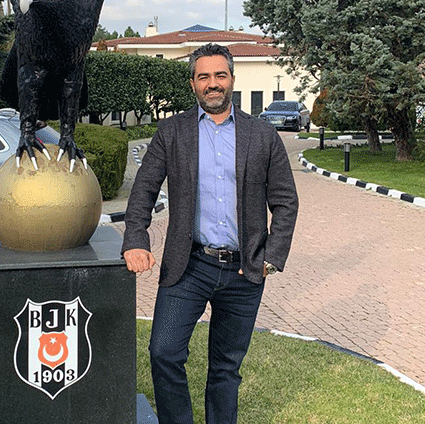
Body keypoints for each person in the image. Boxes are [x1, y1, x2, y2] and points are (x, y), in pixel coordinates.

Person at [122, 43, 298, 424]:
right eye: (204, 76)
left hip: (243, 271)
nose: (212, 83)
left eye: (220, 75)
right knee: (164, 351)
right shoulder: (172, 132)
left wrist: (270, 257)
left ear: (232, 79)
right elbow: (144, 189)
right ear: (193, 84)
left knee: (225, 368)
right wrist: (136, 238)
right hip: (189, 265)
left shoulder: (263, 135)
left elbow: (286, 201)